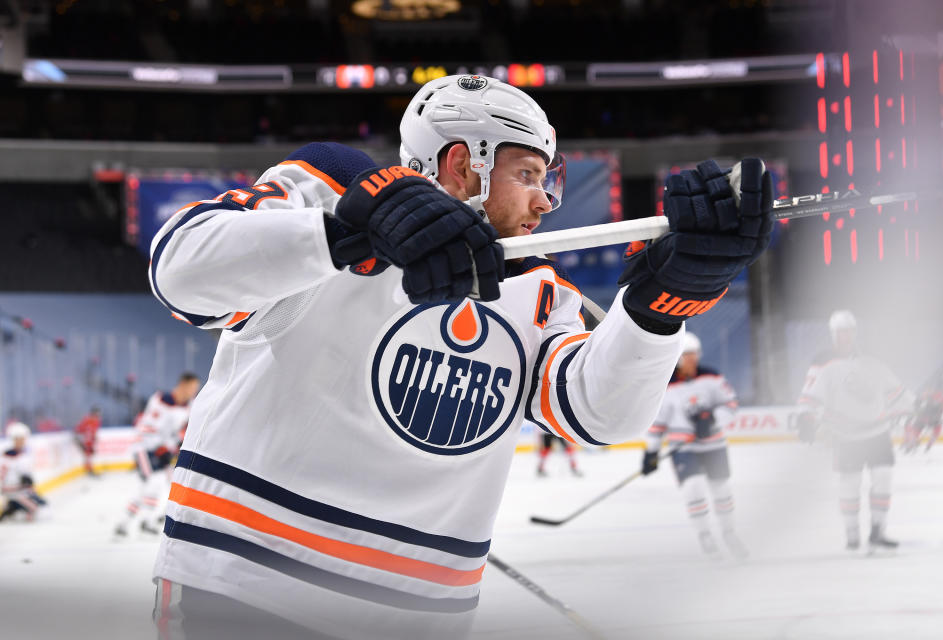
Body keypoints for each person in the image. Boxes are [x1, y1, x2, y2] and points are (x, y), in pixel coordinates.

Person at [146, 74, 773, 639]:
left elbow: (601, 414)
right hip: (243, 593)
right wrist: (353, 230)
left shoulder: (534, 287)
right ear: (462, 164)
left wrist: (661, 307)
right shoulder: (333, 187)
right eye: (528, 175)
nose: (546, 201)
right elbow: (180, 270)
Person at [796, 310, 913, 552]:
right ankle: (852, 534)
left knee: (883, 478)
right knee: (850, 483)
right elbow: (809, 395)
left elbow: (895, 390)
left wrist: (917, 406)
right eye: (839, 332)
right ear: (832, 335)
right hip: (845, 435)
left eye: (848, 332)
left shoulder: (870, 359)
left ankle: (878, 532)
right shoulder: (822, 361)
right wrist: (805, 416)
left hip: (878, 431)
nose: (844, 337)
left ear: (854, 333)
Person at [640, 332, 747, 560]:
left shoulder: (711, 377)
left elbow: (731, 403)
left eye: (694, 355)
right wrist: (651, 452)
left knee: (722, 490)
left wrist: (713, 420)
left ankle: (729, 532)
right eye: (687, 355)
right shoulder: (666, 386)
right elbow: (657, 423)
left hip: (714, 445)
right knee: (694, 487)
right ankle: (705, 534)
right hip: (685, 449)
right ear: (678, 358)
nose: (692, 359)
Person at [115, 372, 199, 537]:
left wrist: (175, 445)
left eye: (196, 388)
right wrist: (160, 447)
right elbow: (147, 426)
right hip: (145, 448)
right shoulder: (160, 400)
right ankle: (145, 521)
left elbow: (181, 430)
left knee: (160, 483)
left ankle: (127, 523)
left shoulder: (190, 406)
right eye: (192, 387)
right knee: (154, 482)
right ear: (182, 384)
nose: (193, 391)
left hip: (163, 450)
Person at [0, 422, 47, 522]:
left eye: (23, 438)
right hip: (13, 491)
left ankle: (13, 506)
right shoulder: (9, 456)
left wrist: (28, 484)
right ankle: (12, 507)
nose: (23, 441)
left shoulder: (20, 454)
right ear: (14, 439)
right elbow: (6, 478)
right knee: (39, 512)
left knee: (43, 505)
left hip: (21, 489)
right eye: (20, 438)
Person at [901, 389, 943, 454]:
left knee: (917, 429)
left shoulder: (936, 397)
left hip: (930, 418)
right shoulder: (929, 397)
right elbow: (917, 406)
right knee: (915, 429)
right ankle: (911, 443)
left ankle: (914, 443)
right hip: (925, 417)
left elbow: (940, 410)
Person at [74, 406, 102, 476]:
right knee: (88, 454)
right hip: (86, 441)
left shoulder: (96, 421)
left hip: (90, 441)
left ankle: (89, 469)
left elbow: (93, 432)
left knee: (89, 455)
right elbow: (81, 430)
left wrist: (94, 438)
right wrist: (83, 442)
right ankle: (89, 469)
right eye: (97, 414)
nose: (98, 415)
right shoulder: (87, 420)